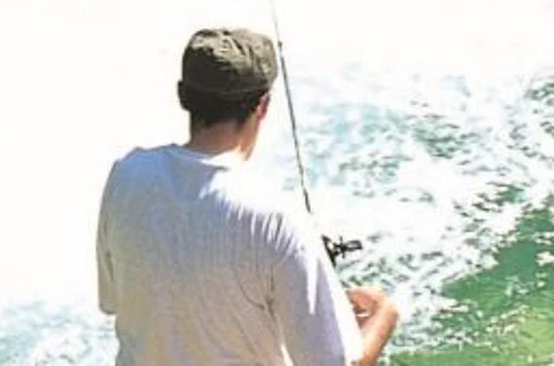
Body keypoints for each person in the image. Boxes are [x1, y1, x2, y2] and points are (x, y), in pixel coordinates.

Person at [96, 27, 400, 366]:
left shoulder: (127, 175)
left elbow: (117, 300)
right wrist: (382, 316)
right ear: (263, 106)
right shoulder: (277, 218)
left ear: (183, 96)